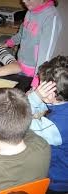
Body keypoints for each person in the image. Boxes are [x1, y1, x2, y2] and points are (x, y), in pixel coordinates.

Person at [27, 55, 68, 193]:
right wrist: (40, 101)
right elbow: (45, 107)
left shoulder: (56, 127)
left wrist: (34, 98)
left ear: (52, 93)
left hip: (57, 180)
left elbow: (22, 122)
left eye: (41, 84)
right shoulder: (62, 104)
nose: (38, 87)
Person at [3, 0, 62, 88]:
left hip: (33, 73)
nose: (23, 1)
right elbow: (22, 33)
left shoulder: (51, 17)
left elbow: (45, 54)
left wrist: (37, 81)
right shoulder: (29, 11)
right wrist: (7, 43)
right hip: (20, 65)